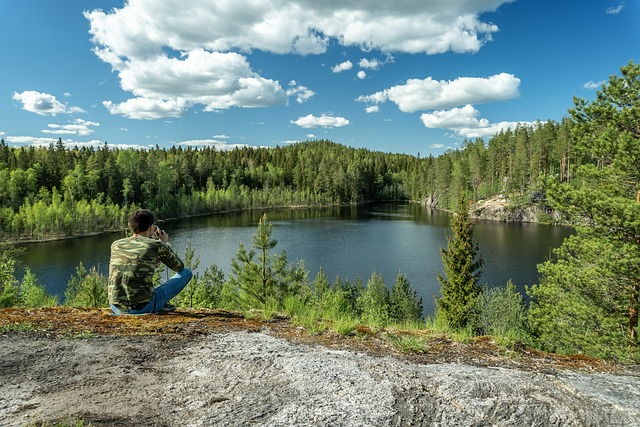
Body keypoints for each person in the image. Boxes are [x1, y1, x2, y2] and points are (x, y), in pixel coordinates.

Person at [108, 209, 193, 315]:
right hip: (143, 308)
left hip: (116, 307)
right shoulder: (155, 245)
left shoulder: (116, 244)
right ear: (151, 227)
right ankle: (159, 304)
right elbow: (179, 267)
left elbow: (140, 267)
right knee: (187, 272)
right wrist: (163, 244)